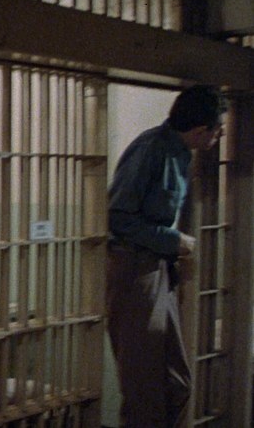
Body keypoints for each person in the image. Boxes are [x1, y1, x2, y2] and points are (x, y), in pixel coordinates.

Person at [106, 85, 228, 427]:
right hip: (134, 269)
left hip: (156, 268)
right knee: (143, 390)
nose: (220, 136)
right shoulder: (150, 149)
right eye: (219, 129)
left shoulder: (179, 152)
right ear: (201, 130)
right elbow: (117, 218)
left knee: (177, 384)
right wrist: (173, 240)